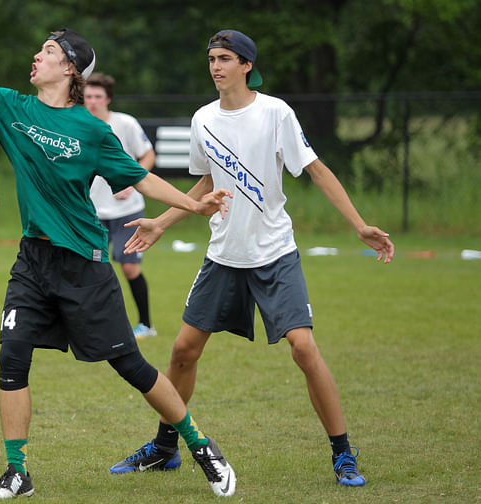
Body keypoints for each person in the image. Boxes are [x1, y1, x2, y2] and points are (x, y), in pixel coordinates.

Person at [0, 10, 237, 499]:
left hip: (84, 264)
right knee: (12, 360)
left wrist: (192, 204)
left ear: (72, 69)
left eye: (48, 52)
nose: (36, 56)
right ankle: (17, 472)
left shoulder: (91, 130)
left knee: (132, 367)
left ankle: (202, 447)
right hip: (33, 262)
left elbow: (141, 178)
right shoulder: (11, 106)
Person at [115, 29, 395, 487]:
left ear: (246, 65)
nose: (216, 67)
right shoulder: (202, 118)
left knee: (304, 349)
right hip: (223, 255)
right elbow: (206, 182)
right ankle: (166, 448)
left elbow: (317, 169)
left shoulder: (275, 112)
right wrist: (161, 223)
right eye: (211, 59)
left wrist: (359, 224)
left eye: (225, 58)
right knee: (183, 351)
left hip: (274, 254)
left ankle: (343, 452)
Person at [83, 72, 157, 339]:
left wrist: (133, 180)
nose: (92, 101)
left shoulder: (124, 123)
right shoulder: (78, 125)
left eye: (98, 97)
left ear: (108, 99)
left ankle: (146, 325)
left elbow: (148, 154)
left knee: (129, 267)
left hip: (127, 211)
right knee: (93, 268)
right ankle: (96, 325)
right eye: (88, 96)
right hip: (92, 211)